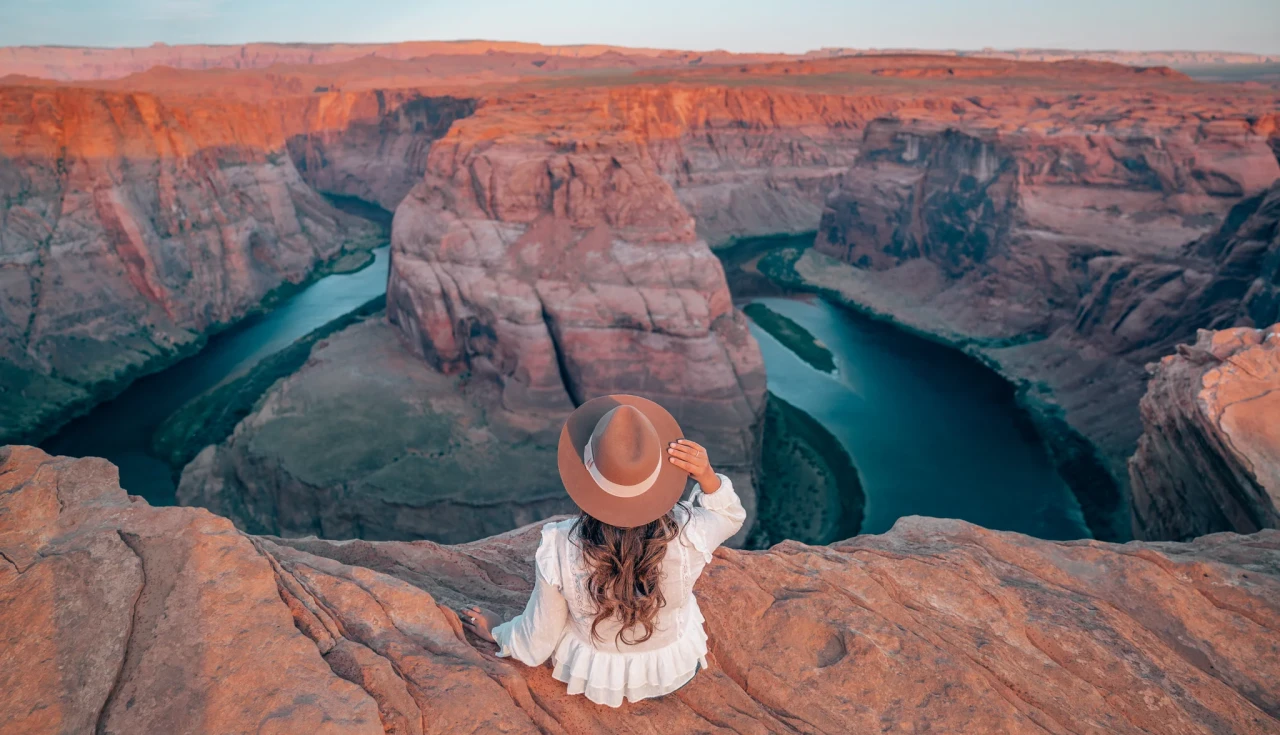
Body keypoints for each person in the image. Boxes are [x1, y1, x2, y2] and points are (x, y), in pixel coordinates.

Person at [458, 394, 746, 708]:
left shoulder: (559, 545)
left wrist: (498, 632)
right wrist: (706, 475)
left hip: (596, 677)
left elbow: (538, 641)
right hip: (675, 670)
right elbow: (730, 517)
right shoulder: (691, 530)